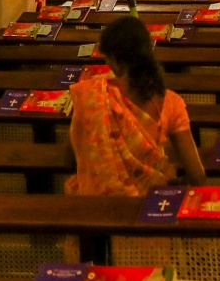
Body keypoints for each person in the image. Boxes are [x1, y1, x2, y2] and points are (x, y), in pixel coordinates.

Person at [66, 14, 207, 196]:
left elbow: (70, 158)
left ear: (115, 60)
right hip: (151, 203)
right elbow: (197, 177)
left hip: (98, 204)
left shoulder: (92, 96)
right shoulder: (170, 102)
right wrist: (171, 184)